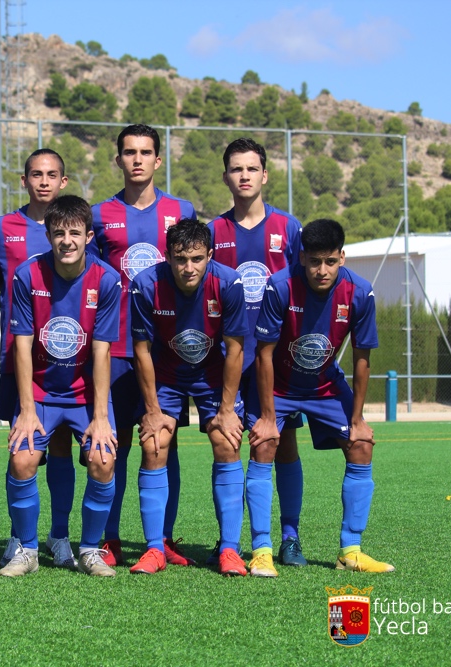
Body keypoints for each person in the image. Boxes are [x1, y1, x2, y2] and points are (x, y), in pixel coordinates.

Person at [248, 218, 394, 574]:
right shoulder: (279, 287)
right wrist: (268, 417)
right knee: (264, 443)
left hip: (324, 386)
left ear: (342, 258)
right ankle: (262, 549)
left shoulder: (360, 293)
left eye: (330, 261)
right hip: (279, 385)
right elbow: (263, 353)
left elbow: (362, 360)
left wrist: (357, 420)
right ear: (301, 258)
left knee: (361, 445)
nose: (322, 270)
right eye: (314, 261)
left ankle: (351, 549)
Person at [90, 124, 197, 568]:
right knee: (116, 444)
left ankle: (163, 537)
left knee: (162, 440)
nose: (137, 159)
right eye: (129, 152)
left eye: (145, 152)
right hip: (114, 345)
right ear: (118, 160)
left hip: (166, 349)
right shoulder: (100, 214)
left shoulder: (181, 209)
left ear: (158, 160)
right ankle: (110, 538)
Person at [3, 195, 121, 577]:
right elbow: (22, 346)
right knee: (22, 459)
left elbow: (101, 353)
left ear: (88, 236)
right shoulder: (27, 275)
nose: (66, 240)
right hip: (39, 392)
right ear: (48, 235)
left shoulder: (106, 279)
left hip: (84, 395)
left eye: (74, 233)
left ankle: (89, 549)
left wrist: (101, 418)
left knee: (103, 460)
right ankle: (27, 550)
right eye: (58, 233)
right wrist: (24, 410)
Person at [207, 137, 307, 569]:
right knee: (227, 443)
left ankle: (289, 537)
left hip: (277, 360)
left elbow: (305, 290)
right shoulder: (214, 231)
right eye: (236, 168)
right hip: (227, 360)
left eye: (252, 168)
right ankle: (229, 542)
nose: (244, 175)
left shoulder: (289, 228)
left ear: (265, 175)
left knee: (282, 444)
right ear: (226, 176)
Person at [132, 220, 249, 576]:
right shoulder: (146, 285)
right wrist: (152, 410)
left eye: (197, 258)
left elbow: (236, 349)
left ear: (210, 256)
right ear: (167, 256)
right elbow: (142, 350)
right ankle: (155, 548)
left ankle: (229, 549)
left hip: (211, 374)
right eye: (180, 258)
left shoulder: (228, 283)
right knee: (154, 444)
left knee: (227, 441)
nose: (188, 267)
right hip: (165, 374)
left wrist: (227, 410)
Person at [0, 148, 78, 569]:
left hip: (70, 361)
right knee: (23, 449)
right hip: (20, 360)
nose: (43, 181)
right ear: (23, 180)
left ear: (63, 181)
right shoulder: (4, 227)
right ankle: (21, 539)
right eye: (35, 174)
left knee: (60, 448)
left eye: (51, 174)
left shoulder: (74, 226)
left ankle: (59, 537)